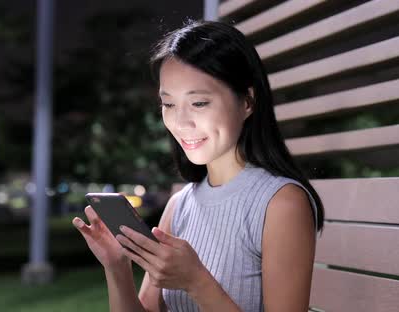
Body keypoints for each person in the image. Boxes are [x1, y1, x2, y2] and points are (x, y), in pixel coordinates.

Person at [72, 19, 325, 312]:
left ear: (247, 101)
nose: (180, 122)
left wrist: (197, 282)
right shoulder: (179, 206)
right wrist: (117, 267)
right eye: (168, 104)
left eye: (199, 103)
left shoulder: (281, 204)